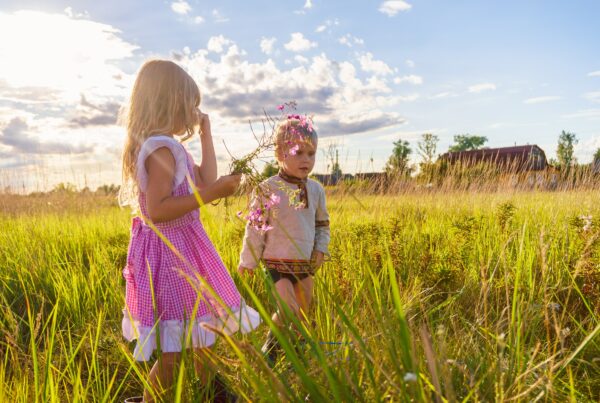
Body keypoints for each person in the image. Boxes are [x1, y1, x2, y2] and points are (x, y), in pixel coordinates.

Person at [119, 59, 260, 402]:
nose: (195, 112)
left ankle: (209, 392)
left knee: (201, 337)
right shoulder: (161, 148)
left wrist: (207, 137)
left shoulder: (172, 146)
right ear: (170, 102)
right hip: (171, 256)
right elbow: (156, 210)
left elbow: (206, 179)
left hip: (183, 250)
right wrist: (211, 195)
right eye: (191, 104)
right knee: (174, 354)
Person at [238, 115, 330, 361]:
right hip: (275, 262)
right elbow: (255, 227)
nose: (306, 160)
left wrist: (320, 250)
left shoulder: (316, 190)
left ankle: (294, 356)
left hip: (304, 263)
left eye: (311, 153)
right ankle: (269, 353)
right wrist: (248, 261)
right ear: (280, 153)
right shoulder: (267, 188)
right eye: (299, 152)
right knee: (287, 309)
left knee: (303, 311)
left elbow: (322, 224)